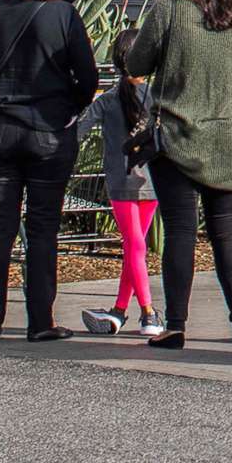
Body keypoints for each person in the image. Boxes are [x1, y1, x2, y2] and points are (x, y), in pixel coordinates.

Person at [128, 0, 232, 349]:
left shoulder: (168, 11)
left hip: (175, 138)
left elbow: (136, 61)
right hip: (229, 140)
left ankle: (175, 325)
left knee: (180, 232)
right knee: (228, 231)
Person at [0, 0, 102, 342]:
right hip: (47, 131)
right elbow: (89, 76)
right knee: (43, 227)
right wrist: (69, 109)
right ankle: (40, 321)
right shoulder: (62, 14)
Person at [78, 26, 161, 337]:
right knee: (136, 247)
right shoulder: (157, 96)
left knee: (134, 247)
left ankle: (136, 312)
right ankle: (133, 312)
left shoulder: (107, 100)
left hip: (120, 184)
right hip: (152, 182)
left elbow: (77, 131)